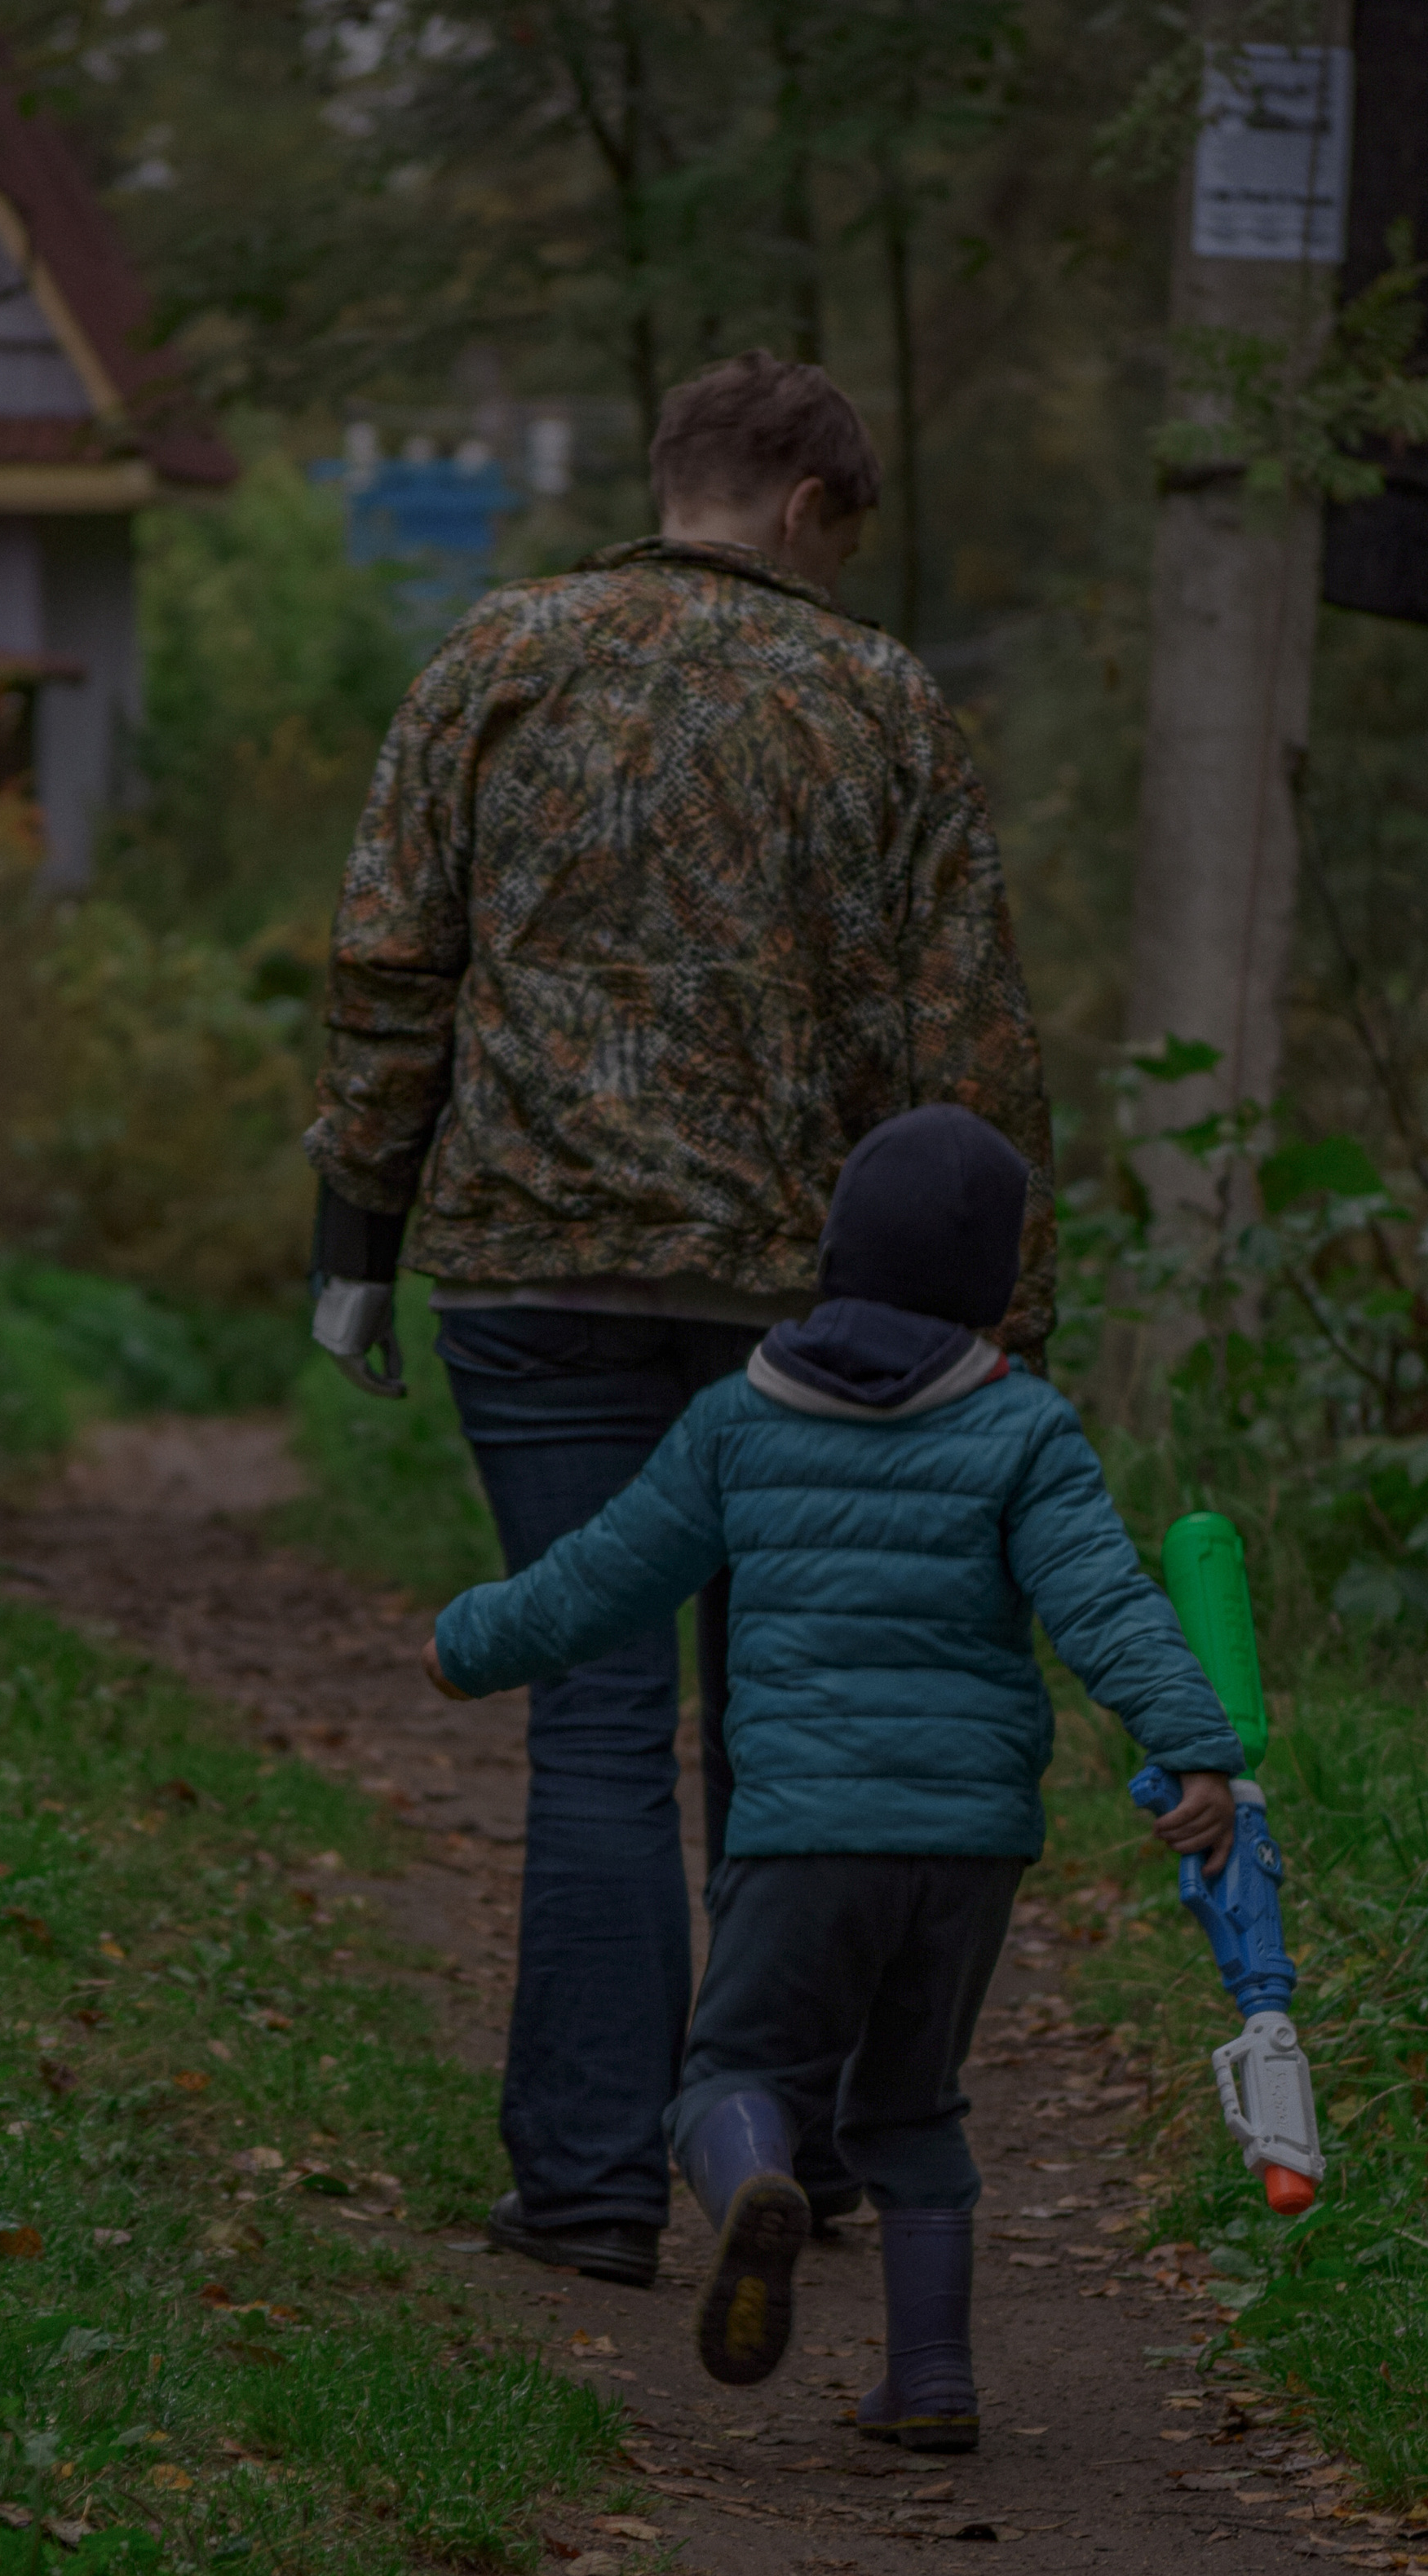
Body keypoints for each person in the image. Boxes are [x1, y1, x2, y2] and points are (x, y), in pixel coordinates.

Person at [304, 351, 1058, 2292]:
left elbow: (391, 963)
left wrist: (354, 1235)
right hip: (801, 1313)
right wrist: (1008, 1328)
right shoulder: (877, 697)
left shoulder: (491, 655)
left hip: (530, 1273)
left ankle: (577, 2189)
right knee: (789, 1730)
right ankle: (778, 2140)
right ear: (813, 504)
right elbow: (959, 1041)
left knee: (597, 1720)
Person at [420, 1106, 1245, 2446]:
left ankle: (755, 2182)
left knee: (725, 2073)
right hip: (970, 1847)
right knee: (913, 2107)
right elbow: (1109, 1603)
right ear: (993, 1283)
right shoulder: (1023, 1426)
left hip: (805, 1832)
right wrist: (1192, 1742)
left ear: (831, 1251)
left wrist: (467, 1641)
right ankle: (931, 2382)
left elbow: (599, 1580)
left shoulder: (734, 1421)